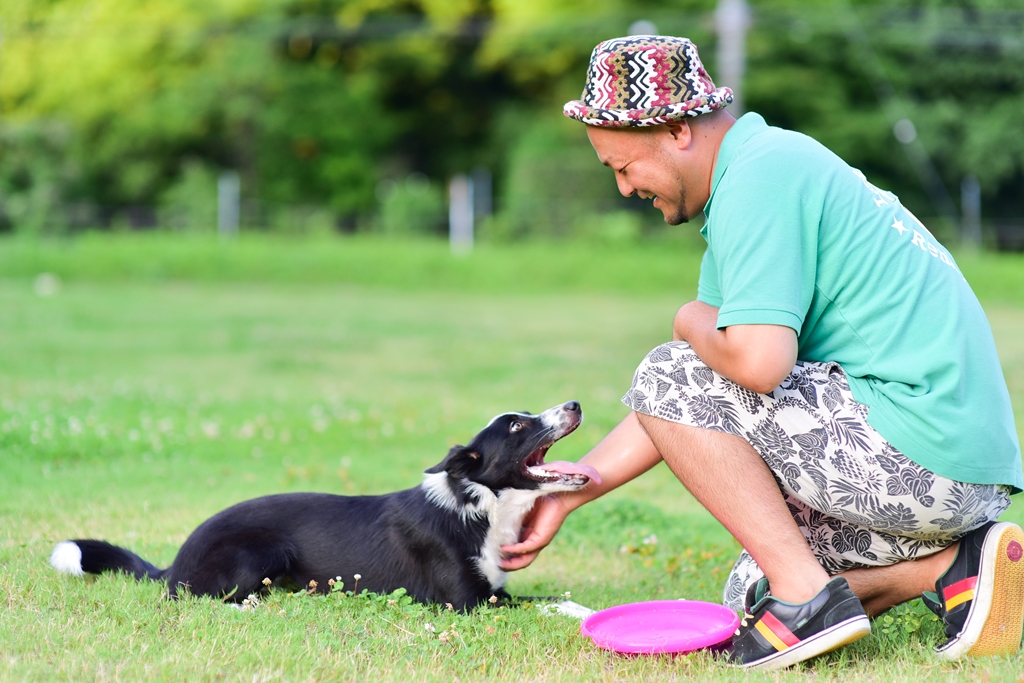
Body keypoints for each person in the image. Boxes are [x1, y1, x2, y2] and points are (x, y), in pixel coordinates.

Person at [499, 35, 1024, 670]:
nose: (624, 189)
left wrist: (687, 319)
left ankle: (809, 600)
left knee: (674, 364)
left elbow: (748, 366)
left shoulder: (761, 177)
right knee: (748, 592)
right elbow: (688, 401)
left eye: (623, 166)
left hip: (924, 452)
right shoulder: (758, 173)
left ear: (675, 130)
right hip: (952, 465)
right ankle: (950, 568)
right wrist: (568, 492)